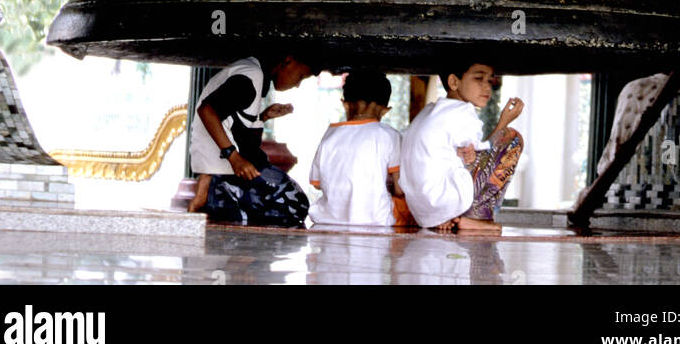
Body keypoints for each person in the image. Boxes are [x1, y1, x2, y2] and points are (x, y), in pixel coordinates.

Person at [188, 52, 317, 226]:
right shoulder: (251, 75)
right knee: (294, 205)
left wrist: (263, 117)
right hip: (224, 170)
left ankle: (217, 195)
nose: (297, 84)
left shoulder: (252, 72)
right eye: (300, 76)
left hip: (221, 167)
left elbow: (232, 124)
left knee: (294, 204)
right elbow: (207, 111)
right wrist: (234, 158)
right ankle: (218, 195)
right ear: (288, 60)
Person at [399, 62, 524, 232]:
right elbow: (488, 152)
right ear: (453, 82)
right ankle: (475, 217)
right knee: (511, 138)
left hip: (423, 212)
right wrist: (504, 121)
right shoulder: (462, 111)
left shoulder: (429, 111)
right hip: (444, 200)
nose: (487, 87)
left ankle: (449, 215)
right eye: (479, 78)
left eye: (490, 81)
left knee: (467, 157)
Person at [309, 67, 404, 227]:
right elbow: (400, 188)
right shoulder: (390, 135)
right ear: (385, 111)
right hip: (377, 219)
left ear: (345, 105)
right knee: (413, 206)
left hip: (329, 219)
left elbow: (317, 184)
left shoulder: (329, 136)